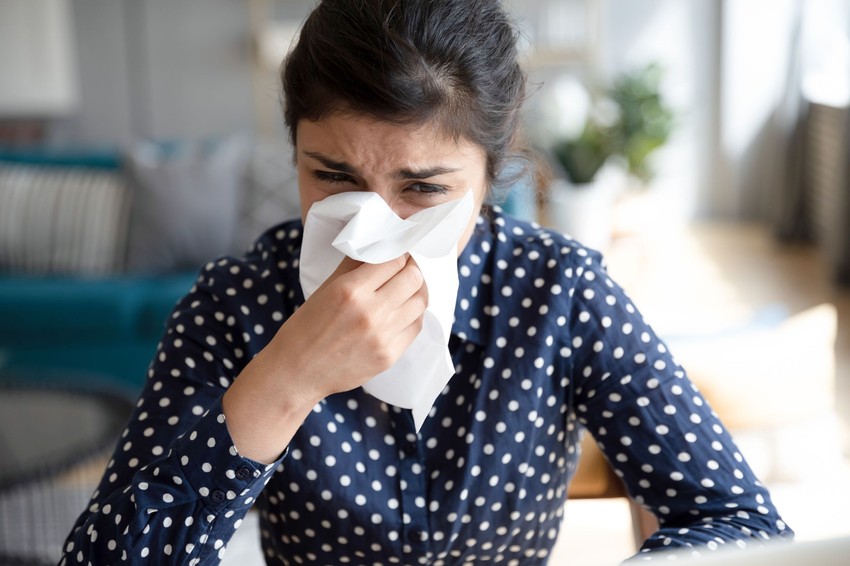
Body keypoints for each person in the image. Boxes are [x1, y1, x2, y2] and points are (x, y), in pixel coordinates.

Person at [61, 0, 793, 564]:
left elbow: (743, 524)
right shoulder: (236, 307)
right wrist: (285, 380)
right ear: (292, 150)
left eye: (422, 189)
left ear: (490, 173)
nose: (370, 227)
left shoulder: (558, 294)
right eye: (333, 177)